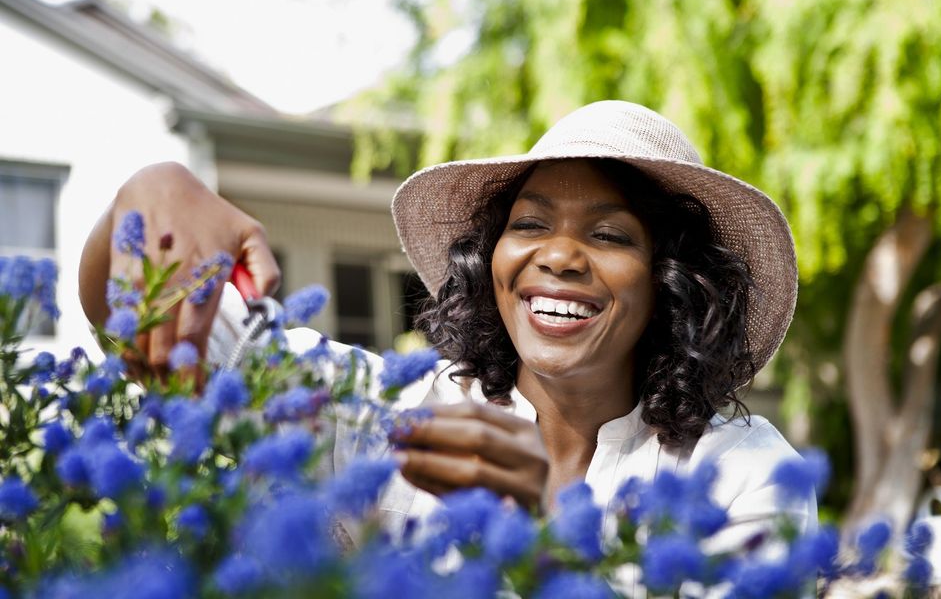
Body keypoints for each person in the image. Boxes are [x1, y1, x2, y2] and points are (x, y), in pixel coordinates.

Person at [79, 100, 815, 549]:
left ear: (672, 280)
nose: (557, 256)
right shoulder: (390, 415)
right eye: (529, 224)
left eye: (611, 235)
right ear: (489, 261)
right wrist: (147, 195)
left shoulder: (740, 472)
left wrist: (542, 534)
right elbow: (150, 325)